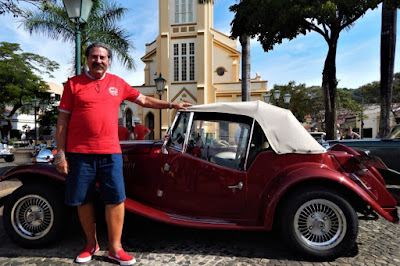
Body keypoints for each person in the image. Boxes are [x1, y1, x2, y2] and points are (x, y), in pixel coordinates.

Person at [54, 42, 191, 265]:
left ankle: (115, 249)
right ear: (87, 59)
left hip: (110, 153)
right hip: (80, 153)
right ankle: (91, 244)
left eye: (103, 57)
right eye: (94, 57)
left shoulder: (117, 83)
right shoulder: (73, 85)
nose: (98, 61)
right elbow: (62, 121)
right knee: (83, 200)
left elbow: (144, 100)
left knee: (116, 199)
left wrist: (171, 105)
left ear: (108, 61)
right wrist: (60, 154)